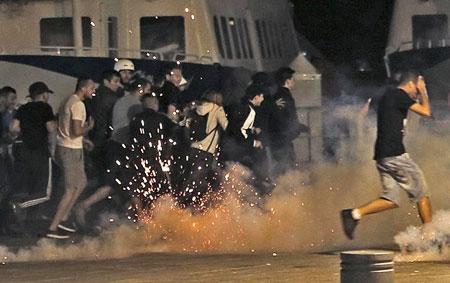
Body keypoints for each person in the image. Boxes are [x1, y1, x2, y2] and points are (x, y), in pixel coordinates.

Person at [341, 71, 433, 240]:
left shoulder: (386, 95)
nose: (416, 94)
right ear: (411, 84)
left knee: (391, 198)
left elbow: (363, 112)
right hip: (395, 154)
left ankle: (354, 214)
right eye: (416, 90)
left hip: (382, 155)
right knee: (421, 192)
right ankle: (432, 237)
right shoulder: (399, 95)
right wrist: (424, 91)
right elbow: (426, 112)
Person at [74, 78, 150, 226]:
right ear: (141, 89)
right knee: (125, 184)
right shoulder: (136, 105)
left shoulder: (121, 101)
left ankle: (137, 218)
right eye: (148, 90)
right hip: (123, 147)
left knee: (117, 184)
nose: (149, 93)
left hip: (113, 145)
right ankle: (140, 220)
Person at [46, 77, 95, 239]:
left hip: (66, 146)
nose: (93, 91)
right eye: (91, 88)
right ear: (83, 88)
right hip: (70, 150)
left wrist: (83, 140)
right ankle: (53, 227)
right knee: (71, 189)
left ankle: (64, 218)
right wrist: (88, 127)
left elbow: (65, 127)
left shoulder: (67, 99)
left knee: (81, 182)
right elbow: (75, 130)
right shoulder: (79, 105)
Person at [9, 82, 56, 210]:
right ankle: (19, 206)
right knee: (44, 193)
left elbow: (13, 128)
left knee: (26, 187)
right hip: (40, 152)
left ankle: (20, 213)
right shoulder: (46, 108)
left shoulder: (23, 108)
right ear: (44, 95)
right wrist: (52, 150)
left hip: (23, 151)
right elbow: (51, 128)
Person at [177, 91, 228, 209]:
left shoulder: (193, 110)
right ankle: (186, 208)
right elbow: (226, 126)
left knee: (189, 178)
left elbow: (183, 126)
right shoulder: (217, 109)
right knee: (198, 181)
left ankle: (182, 203)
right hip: (206, 152)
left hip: (192, 150)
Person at [270, 67, 307, 175]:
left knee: (286, 164)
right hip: (281, 138)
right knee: (285, 165)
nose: (294, 81)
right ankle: (274, 187)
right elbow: (288, 119)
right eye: (292, 79)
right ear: (287, 81)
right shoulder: (285, 97)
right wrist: (304, 128)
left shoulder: (278, 96)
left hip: (280, 138)